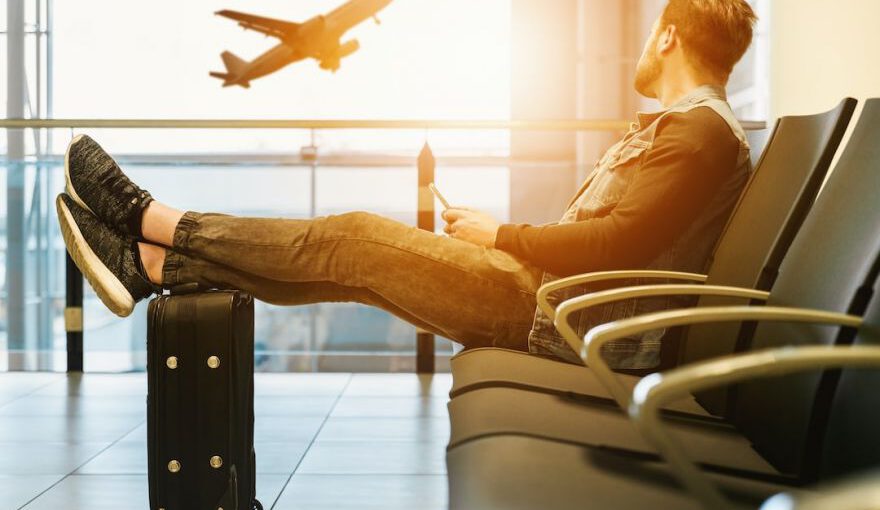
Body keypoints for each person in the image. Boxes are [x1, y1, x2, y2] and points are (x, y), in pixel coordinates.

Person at [56, 0, 757, 370]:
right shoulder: (692, 131)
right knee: (353, 269)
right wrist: (502, 238)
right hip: (551, 299)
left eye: (648, 36)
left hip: (556, 318)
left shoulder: (698, 133)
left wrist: (500, 235)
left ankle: (151, 221)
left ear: (668, 37)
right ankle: (150, 264)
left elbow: (619, 241)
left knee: (354, 238)